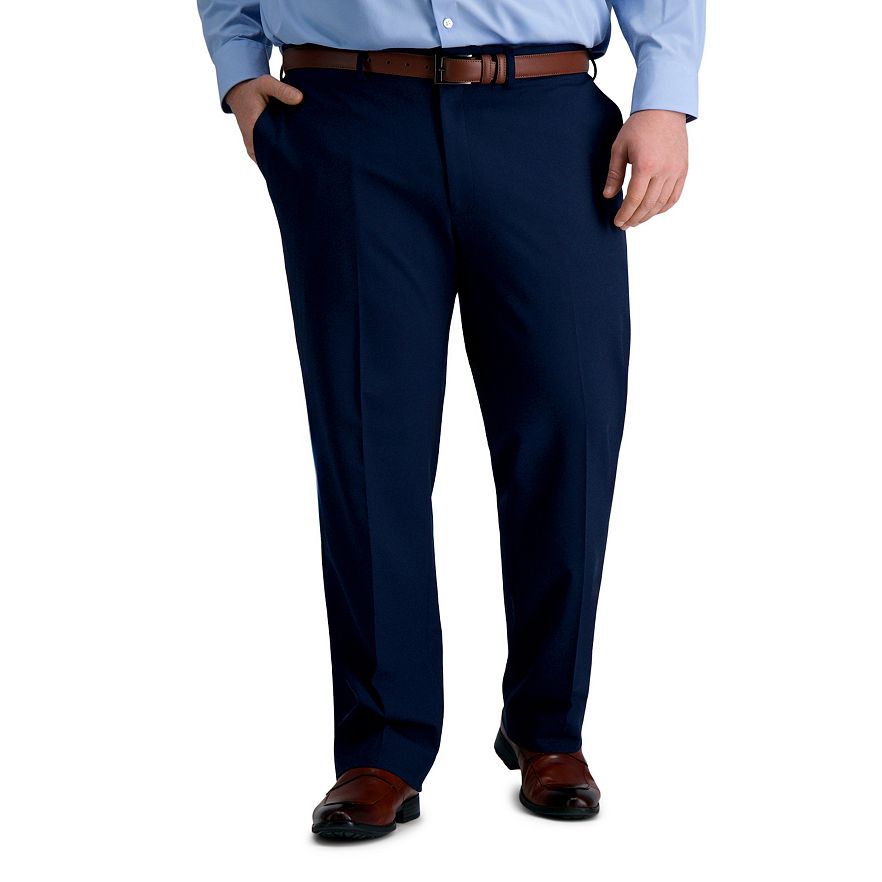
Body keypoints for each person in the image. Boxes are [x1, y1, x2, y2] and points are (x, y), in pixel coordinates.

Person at [196, 0, 705, 840]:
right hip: (346, 115)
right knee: (368, 440)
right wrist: (238, 68)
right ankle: (381, 746)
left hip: (545, 114)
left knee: (569, 425)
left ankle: (549, 726)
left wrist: (665, 96)